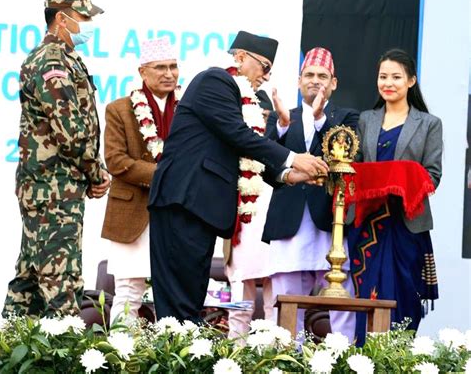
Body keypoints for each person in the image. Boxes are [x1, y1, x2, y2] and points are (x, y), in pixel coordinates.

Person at [148, 30, 328, 324]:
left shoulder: (245, 98)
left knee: (190, 297)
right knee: (178, 299)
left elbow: (243, 148)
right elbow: (237, 135)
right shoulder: (215, 81)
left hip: (200, 207)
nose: (267, 77)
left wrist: (289, 175)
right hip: (183, 199)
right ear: (241, 57)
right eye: (265, 67)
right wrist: (294, 157)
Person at [3, 0, 110, 318]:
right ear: (62, 19)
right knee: (60, 283)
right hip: (53, 188)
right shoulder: (52, 61)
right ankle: (61, 358)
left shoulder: (64, 58)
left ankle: (10, 351)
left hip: (50, 186)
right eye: (84, 17)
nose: (89, 24)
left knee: (30, 278)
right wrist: (96, 173)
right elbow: (72, 131)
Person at [263, 47, 359, 342]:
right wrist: (280, 126)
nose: (315, 81)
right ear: (298, 80)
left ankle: (343, 360)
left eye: (322, 76)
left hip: (330, 224)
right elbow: (267, 169)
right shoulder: (282, 117)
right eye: (309, 75)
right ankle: (289, 362)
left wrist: (319, 121)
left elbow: (348, 153)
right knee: (288, 305)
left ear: (334, 83)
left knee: (342, 303)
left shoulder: (346, 117)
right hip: (288, 223)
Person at [348, 48, 442, 345]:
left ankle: (399, 357)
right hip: (367, 224)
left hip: (406, 224)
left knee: (405, 294)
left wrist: (403, 178)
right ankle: (363, 356)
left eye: (396, 77)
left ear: (411, 81)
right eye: (383, 76)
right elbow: (355, 169)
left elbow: (433, 174)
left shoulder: (429, 124)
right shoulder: (365, 120)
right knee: (366, 293)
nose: (388, 83)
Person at [101, 37, 179, 324]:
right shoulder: (119, 109)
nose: (169, 74)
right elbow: (116, 161)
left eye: (173, 66)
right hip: (132, 212)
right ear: (142, 72)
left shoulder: (189, 110)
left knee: (171, 294)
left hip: (176, 212)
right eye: (160, 67)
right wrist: (165, 175)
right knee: (128, 293)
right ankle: (122, 358)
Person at [223, 91, 276, 339]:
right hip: (240, 233)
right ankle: (235, 352)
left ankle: (274, 355)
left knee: (274, 303)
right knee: (240, 303)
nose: (261, 123)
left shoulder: (279, 148)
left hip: (274, 236)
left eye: (266, 116)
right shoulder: (231, 148)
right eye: (257, 116)